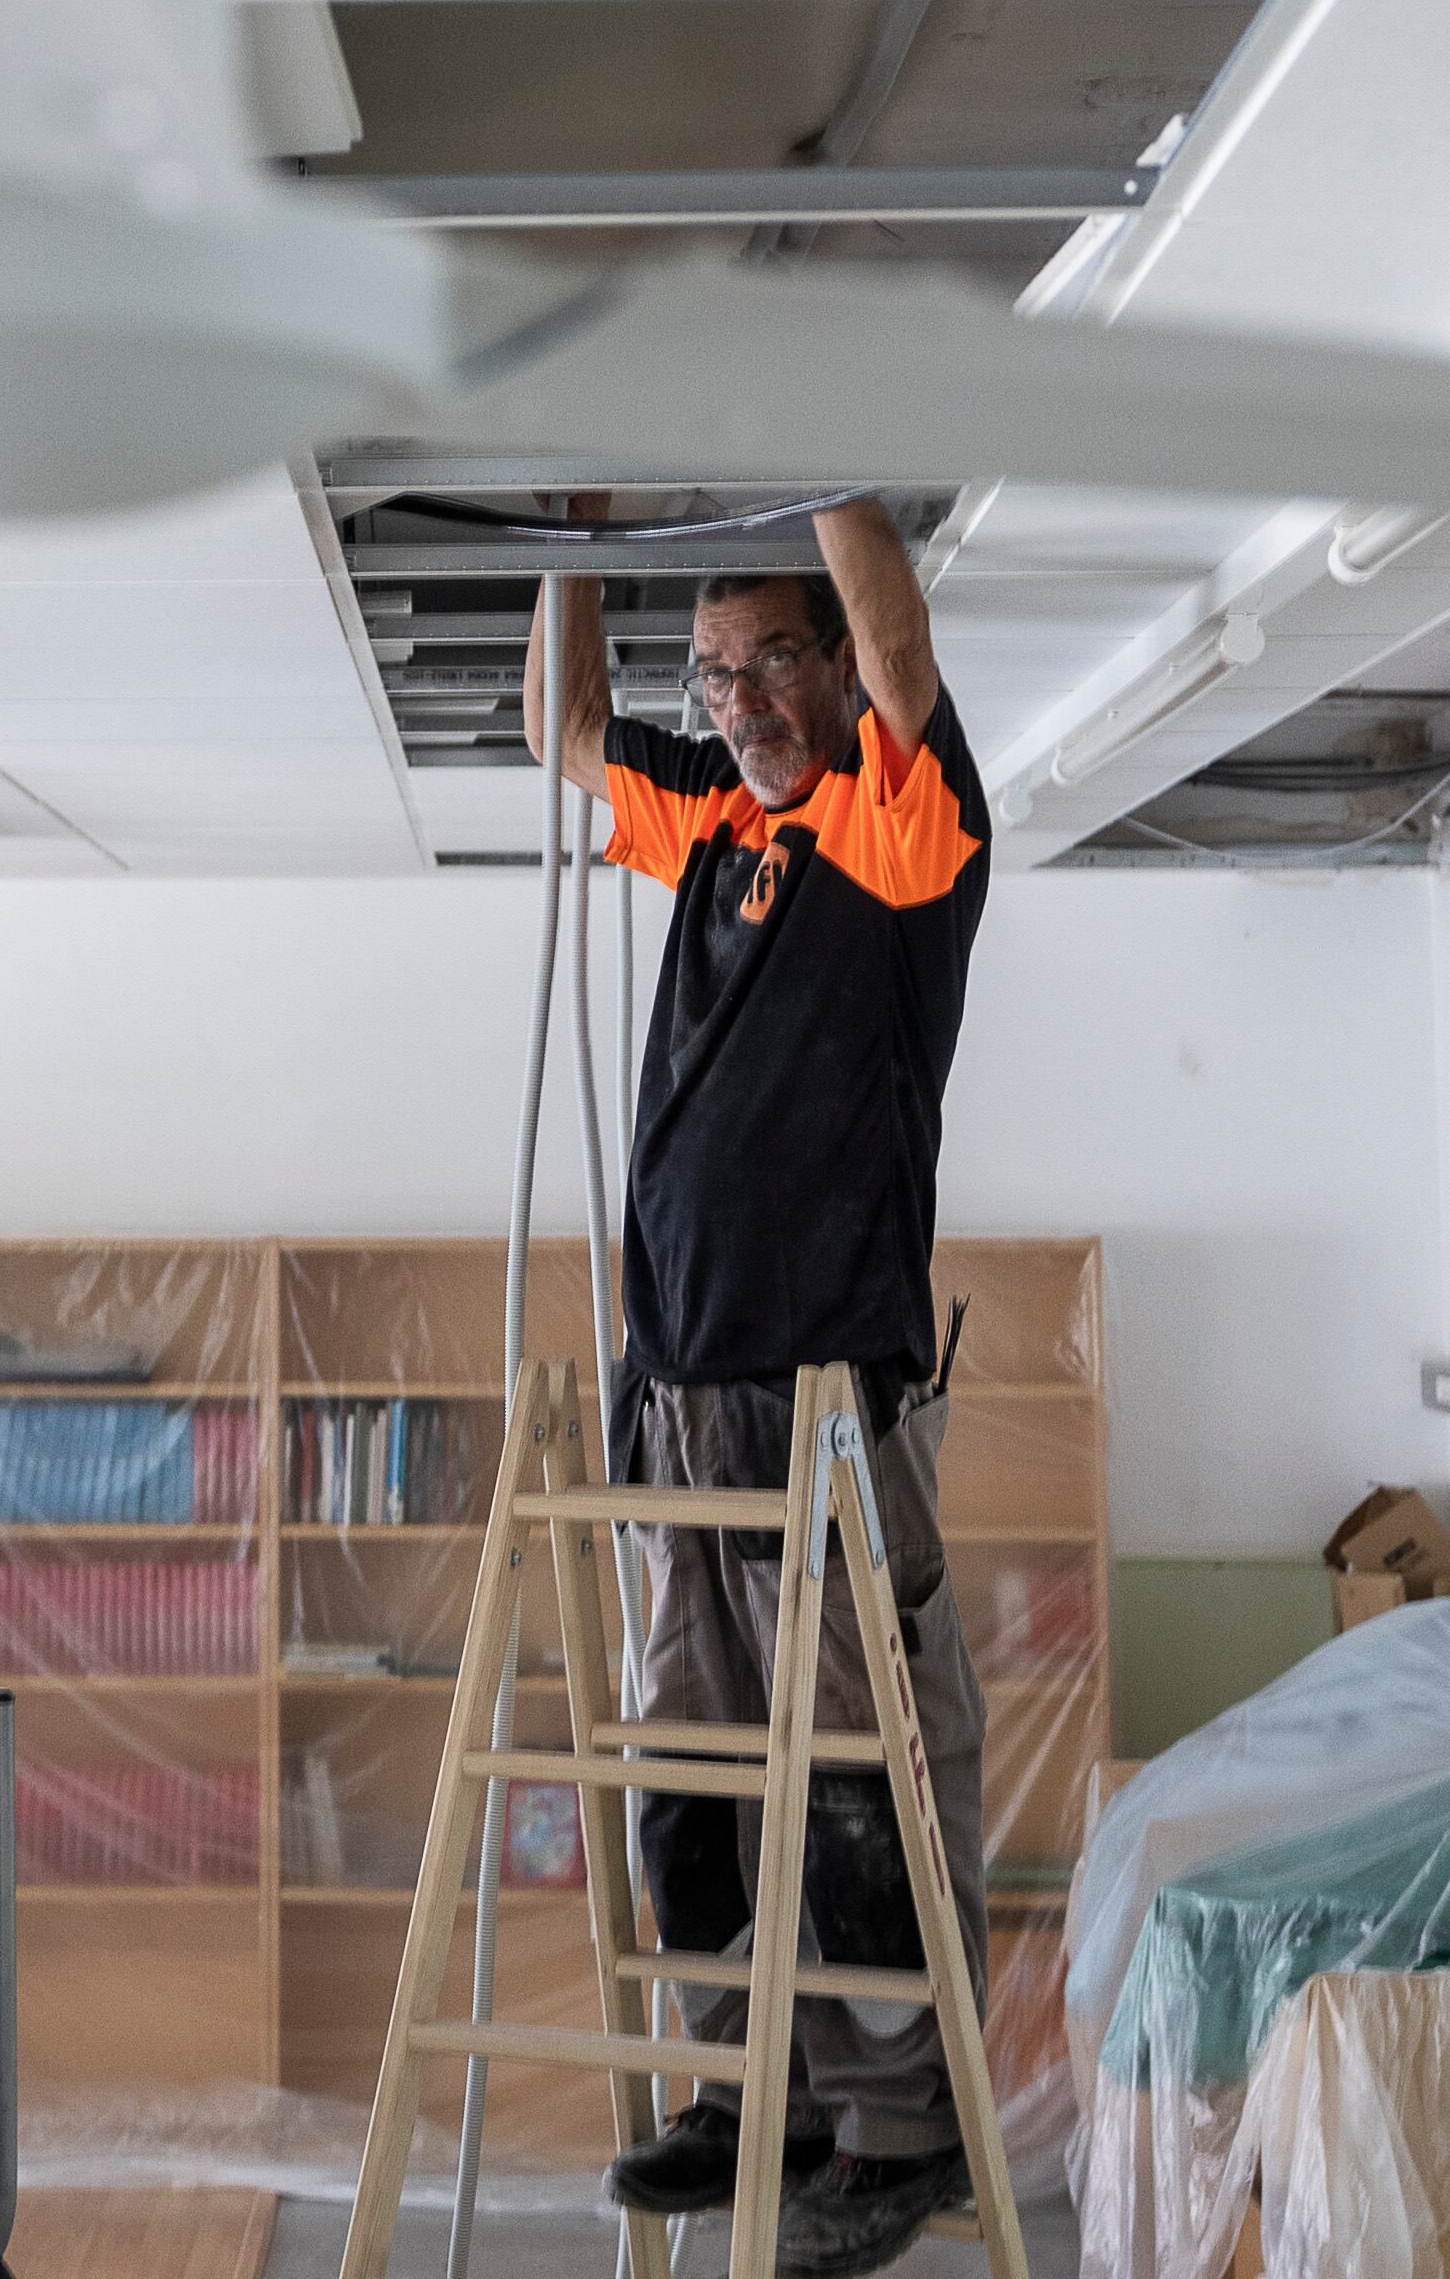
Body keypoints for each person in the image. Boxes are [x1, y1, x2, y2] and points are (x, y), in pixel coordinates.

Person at [522, 497, 994, 2279]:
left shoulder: (900, 824)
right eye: (714, 671)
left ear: (833, 669)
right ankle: (750, 2090)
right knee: (695, 1771)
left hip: (826, 1406)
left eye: (772, 660)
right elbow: (566, 732)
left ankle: (892, 2125)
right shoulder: (710, 823)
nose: (740, 702)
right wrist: (573, 527)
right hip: (683, 1401)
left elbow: (902, 653)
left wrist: (810, 448)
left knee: (863, 1769)